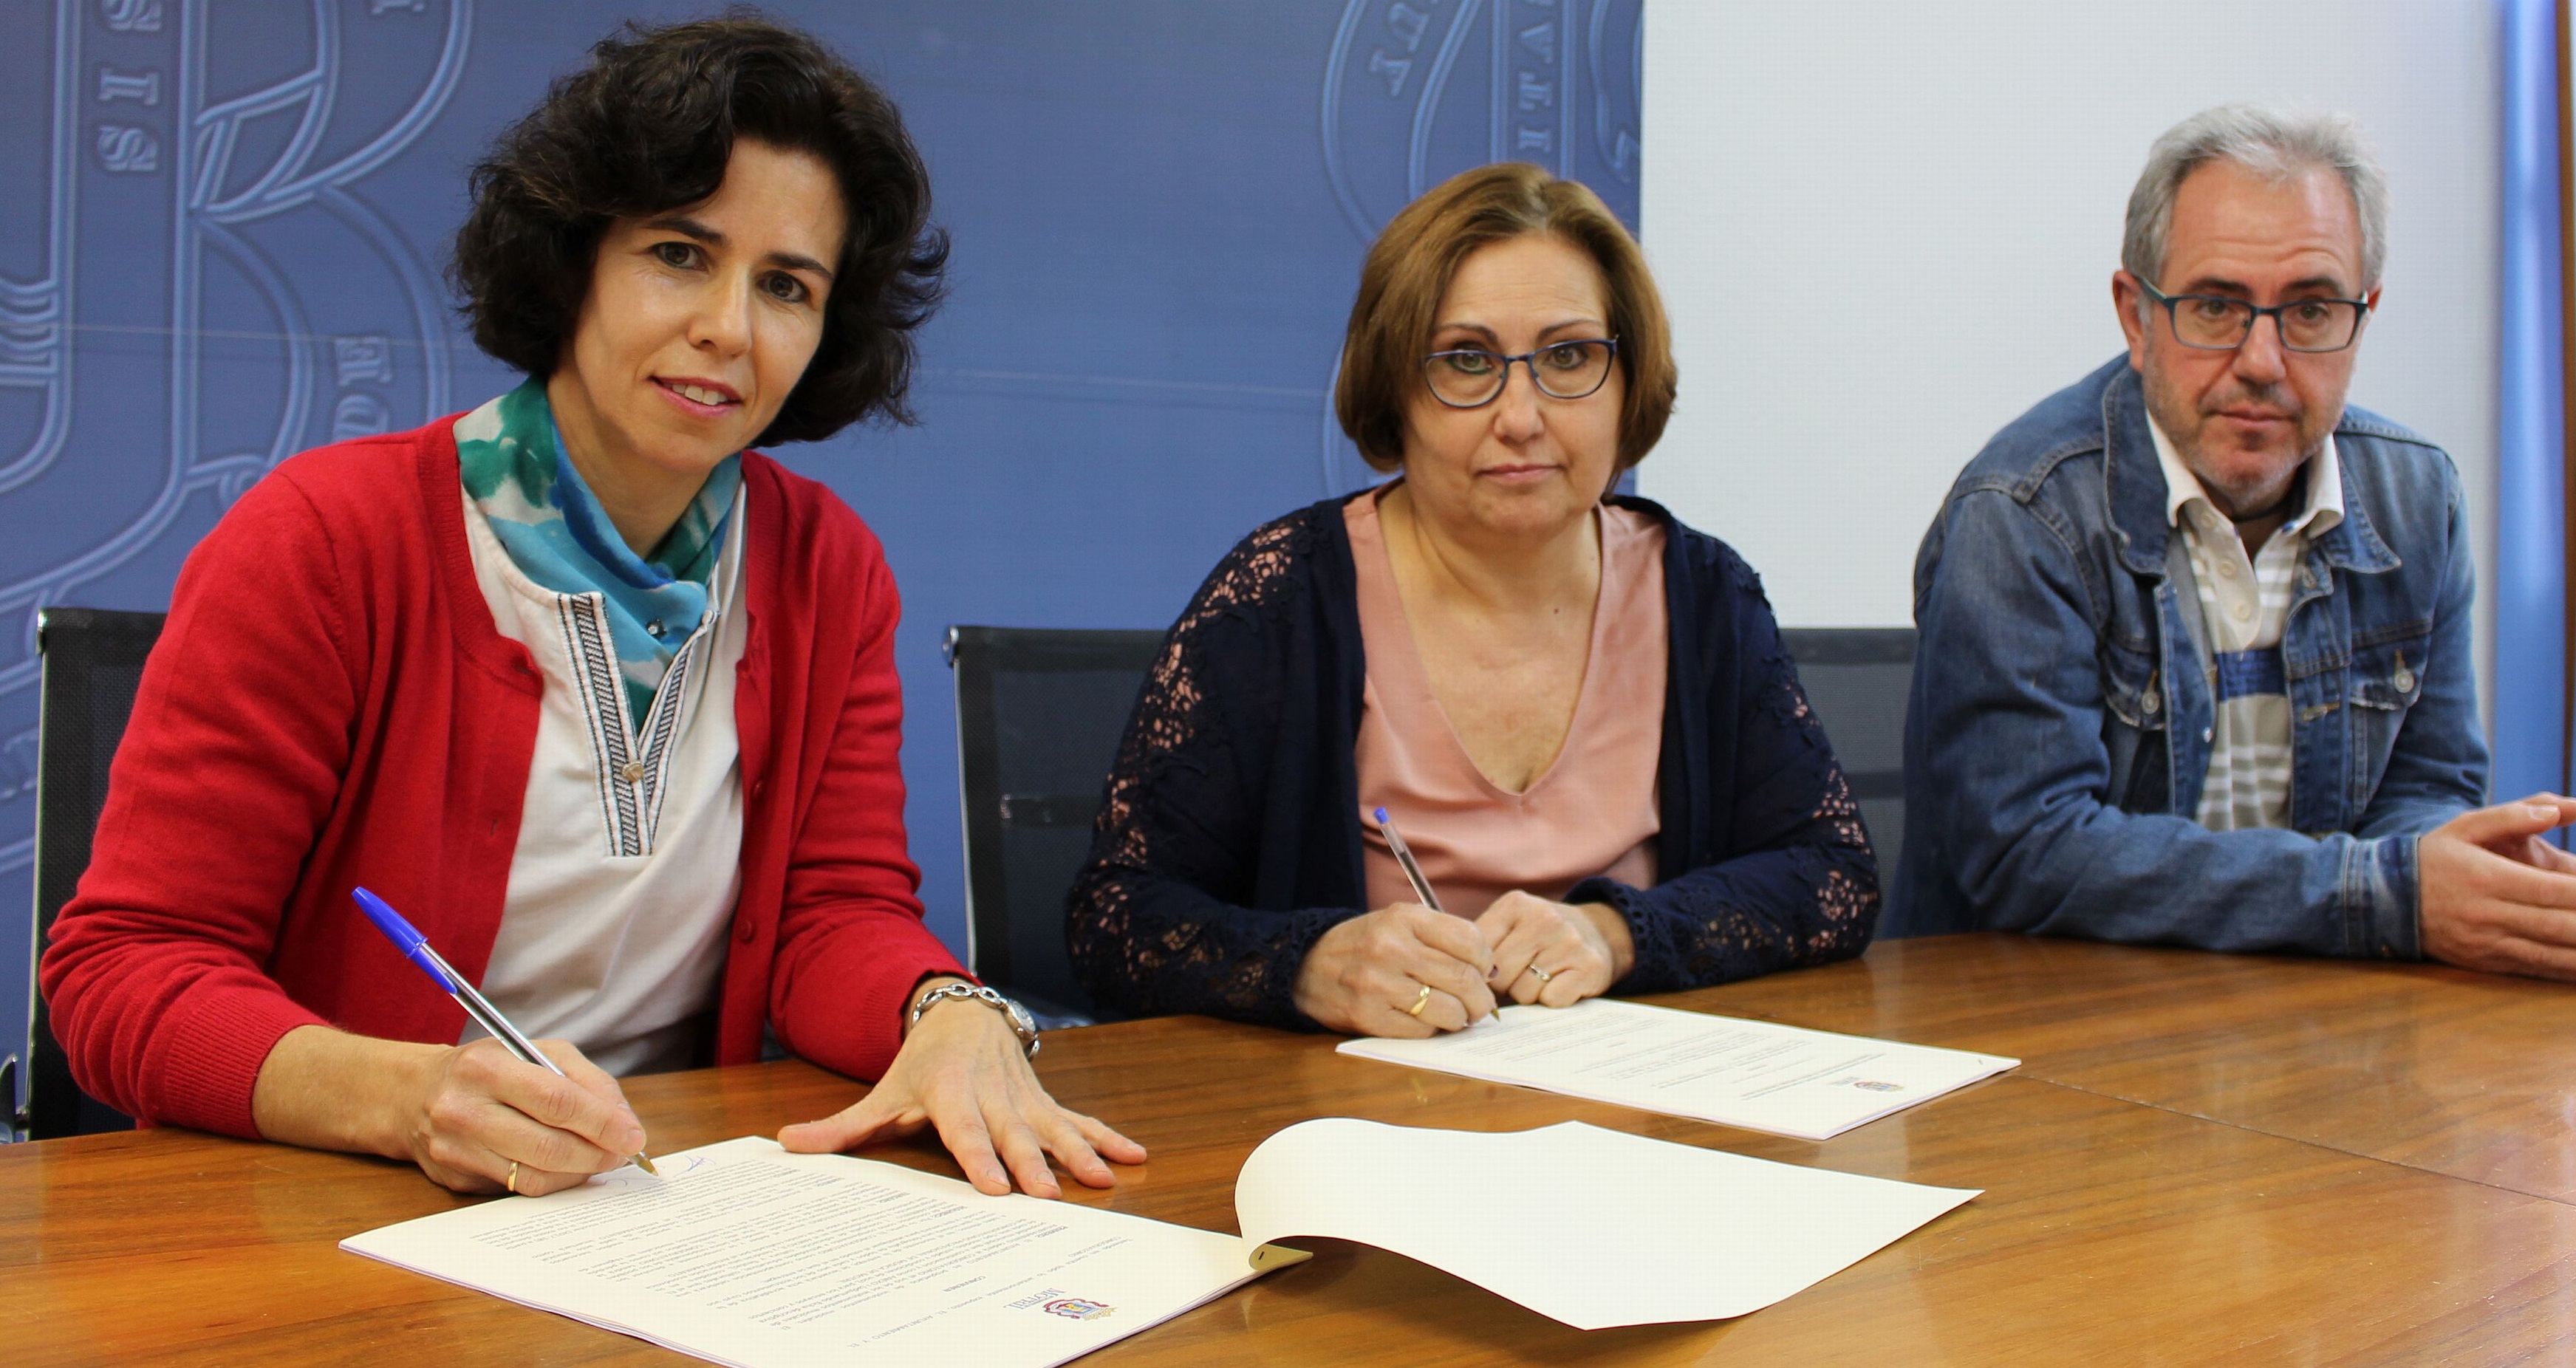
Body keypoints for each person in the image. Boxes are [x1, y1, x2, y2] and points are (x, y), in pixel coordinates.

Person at [38, 16, 1142, 1200]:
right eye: (679, 253)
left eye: (786, 285)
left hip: (665, 1197)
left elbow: (836, 910)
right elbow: (127, 968)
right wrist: (410, 1098)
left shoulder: (828, 567)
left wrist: (949, 1009)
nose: (730, 325)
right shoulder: (328, 538)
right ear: (574, 259)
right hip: (346, 1199)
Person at [1065, 163, 1879, 1034]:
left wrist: (1616, 934)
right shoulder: (1279, 597)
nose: (1521, 415)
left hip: (1642, 1115)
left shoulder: (1705, 592)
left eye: (1569, 356)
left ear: (1627, 381)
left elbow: (1830, 874)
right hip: (1359, 1126)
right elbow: (1116, 918)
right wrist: (1306, 964)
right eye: (1466, 360)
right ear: (1396, 390)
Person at [1901, 105, 2576, 983]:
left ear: (2362, 315)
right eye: (2216, 306)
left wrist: (2469, 875)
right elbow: (2028, 856)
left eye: (2308, 310)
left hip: (2310, 1011)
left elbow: (2424, 789)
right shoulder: (2022, 512)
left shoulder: (2419, 500)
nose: (2262, 358)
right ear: (2135, 317)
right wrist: (2390, 895)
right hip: (2039, 1022)